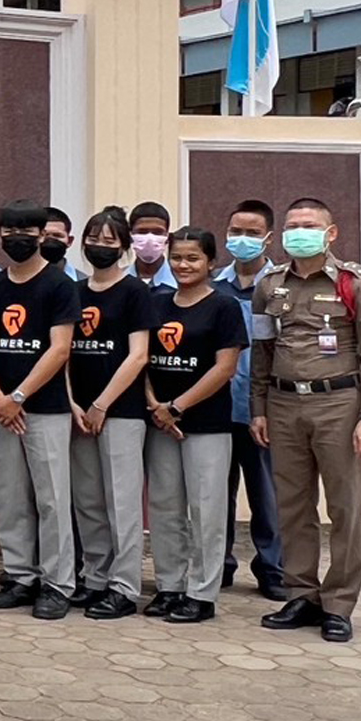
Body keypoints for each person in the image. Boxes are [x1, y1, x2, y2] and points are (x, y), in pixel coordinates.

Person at [252, 197, 361, 643]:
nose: (298, 232)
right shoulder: (269, 285)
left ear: (331, 233)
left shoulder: (356, 283)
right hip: (284, 404)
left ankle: (340, 604)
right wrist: (258, 408)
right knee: (292, 507)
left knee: (344, 508)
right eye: (292, 225)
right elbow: (262, 353)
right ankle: (302, 594)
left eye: (309, 225)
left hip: (339, 406)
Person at [0, 198, 79, 620]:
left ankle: (57, 583)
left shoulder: (58, 285)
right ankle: (20, 575)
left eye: (27, 232)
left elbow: (60, 349)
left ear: (42, 235)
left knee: (52, 499)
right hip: (2, 410)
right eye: (9, 232)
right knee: (12, 496)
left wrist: (18, 396)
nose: (18, 239)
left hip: (46, 409)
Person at [144, 227, 246, 624]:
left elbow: (226, 368)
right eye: (177, 258)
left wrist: (177, 407)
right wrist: (156, 404)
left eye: (193, 258)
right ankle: (169, 587)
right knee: (165, 507)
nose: (183, 265)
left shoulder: (224, 307)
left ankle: (202, 593)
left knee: (206, 509)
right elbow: (143, 358)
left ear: (211, 263)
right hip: (159, 422)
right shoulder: (156, 303)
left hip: (205, 424)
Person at [64, 207, 151, 619]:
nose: (100, 246)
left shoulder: (134, 292)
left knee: (122, 503)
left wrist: (102, 404)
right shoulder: (74, 291)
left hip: (120, 412)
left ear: (124, 247)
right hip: (78, 412)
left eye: (109, 240)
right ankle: (94, 577)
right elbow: (62, 351)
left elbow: (138, 356)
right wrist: (74, 404)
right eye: (93, 238)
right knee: (88, 501)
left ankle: (124, 586)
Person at [216, 200, 288, 600]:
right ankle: (219, 564)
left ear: (268, 238)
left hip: (264, 411)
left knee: (268, 496)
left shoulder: (279, 285)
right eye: (235, 232)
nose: (242, 240)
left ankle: (273, 569)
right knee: (214, 494)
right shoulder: (214, 285)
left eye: (251, 233)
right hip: (216, 408)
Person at [128, 202, 178, 289]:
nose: (149, 239)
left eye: (157, 232)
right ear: (130, 236)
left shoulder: (182, 280)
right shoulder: (116, 282)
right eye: (142, 232)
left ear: (167, 238)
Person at [43, 208, 86, 284]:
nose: (50, 240)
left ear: (69, 241)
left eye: (57, 235)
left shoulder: (83, 282)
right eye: (44, 235)